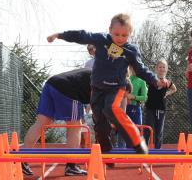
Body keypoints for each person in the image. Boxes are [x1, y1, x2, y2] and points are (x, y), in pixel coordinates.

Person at [47, 13, 171, 154]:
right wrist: (60, 35)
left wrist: (155, 80)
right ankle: (106, 151)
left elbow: (141, 70)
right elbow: (82, 35)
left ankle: (137, 141)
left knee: (112, 109)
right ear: (110, 30)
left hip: (117, 87)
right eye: (116, 34)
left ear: (130, 34)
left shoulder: (131, 50)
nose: (120, 38)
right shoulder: (101, 40)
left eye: (124, 35)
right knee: (99, 123)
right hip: (97, 88)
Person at [23, 68, 92, 176]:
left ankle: (22, 159)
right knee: (75, 126)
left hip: (51, 83)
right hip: (68, 88)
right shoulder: (103, 80)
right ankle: (71, 165)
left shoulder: (97, 72)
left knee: (41, 123)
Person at [144, 59, 177, 149]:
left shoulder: (168, 82)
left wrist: (168, 93)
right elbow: (144, 82)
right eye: (160, 67)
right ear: (156, 68)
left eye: (163, 67)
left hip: (161, 109)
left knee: (159, 131)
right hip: (150, 107)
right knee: (147, 128)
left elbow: (174, 89)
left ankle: (157, 150)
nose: (161, 69)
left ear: (166, 69)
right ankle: (144, 149)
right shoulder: (152, 79)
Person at [118, 67, 146, 148]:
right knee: (123, 130)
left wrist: (133, 97)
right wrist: (125, 98)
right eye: (132, 67)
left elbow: (144, 97)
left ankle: (136, 152)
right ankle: (121, 152)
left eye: (136, 66)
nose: (134, 69)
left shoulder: (142, 81)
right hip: (125, 107)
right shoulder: (126, 79)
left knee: (136, 130)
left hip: (135, 108)